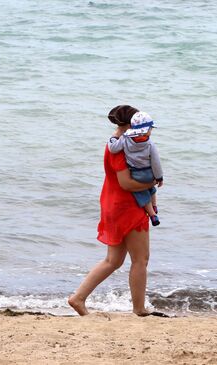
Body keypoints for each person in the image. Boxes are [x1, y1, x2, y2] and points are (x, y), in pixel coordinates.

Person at [68, 105, 163, 317]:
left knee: (113, 260)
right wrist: (152, 184)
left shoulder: (115, 144)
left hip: (112, 203)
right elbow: (127, 183)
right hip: (126, 207)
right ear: (131, 125)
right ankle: (139, 309)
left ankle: (78, 298)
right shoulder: (122, 150)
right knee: (141, 259)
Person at [107, 111, 163, 226]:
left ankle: (152, 215)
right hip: (149, 173)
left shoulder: (125, 139)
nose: (151, 131)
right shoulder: (150, 144)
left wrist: (113, 137)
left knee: (142, 193)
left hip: (136, 174)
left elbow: (113, 148)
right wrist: (159, 177)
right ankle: (155, 208)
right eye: (150, 129)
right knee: (151, 189)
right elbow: (156, 162)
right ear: (147, 130)